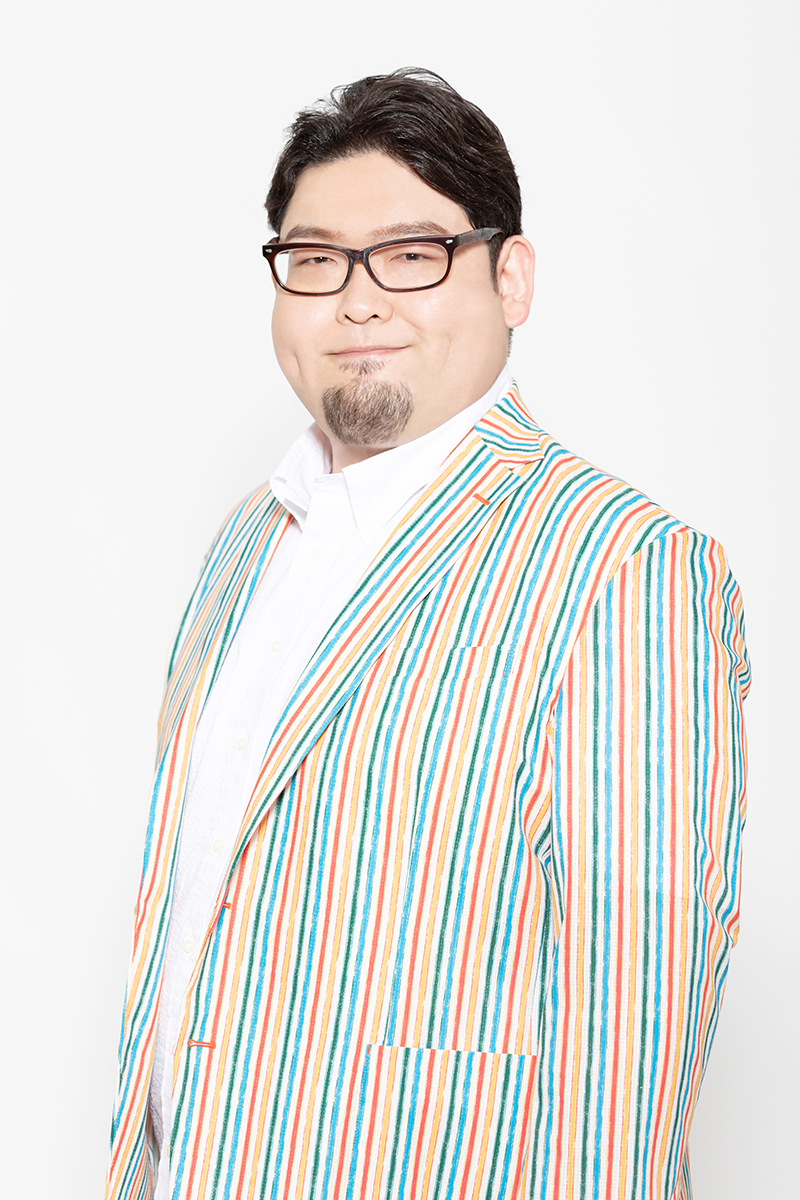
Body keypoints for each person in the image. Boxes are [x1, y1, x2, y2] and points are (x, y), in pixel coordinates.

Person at [105, 69, 750, 1200]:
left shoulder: (622, 564)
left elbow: (632, 1027)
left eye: (410, 255)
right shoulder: (246, 542)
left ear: (511, 277)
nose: (357, 302)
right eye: (316, 260)